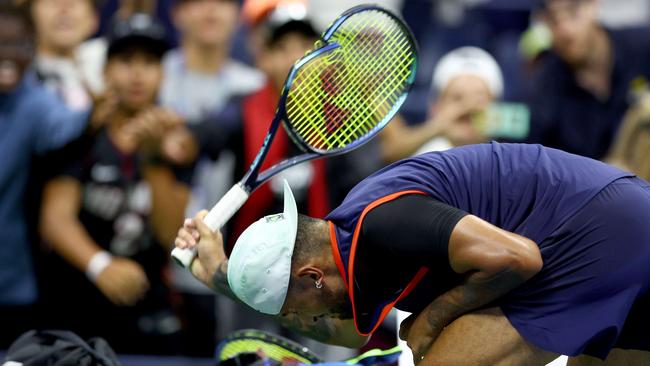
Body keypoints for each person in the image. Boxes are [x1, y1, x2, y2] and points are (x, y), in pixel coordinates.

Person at [176, 142, 650, 365]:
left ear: (313, 277)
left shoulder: (384, 224)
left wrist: (434, 316)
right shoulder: (346, 247)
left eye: (298, 312)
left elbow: (519, 259)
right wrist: (219, 274)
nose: (307, 322)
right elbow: (343, 332)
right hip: (621, 224)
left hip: (590, 237)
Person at [38, 13, 196, 354]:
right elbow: (55, 217)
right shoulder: (83, 132)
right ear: (106, 70)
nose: (137, 73)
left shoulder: (177, 141)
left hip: (147, 309)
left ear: (162, 73)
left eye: (149, 62)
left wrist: (154, 160)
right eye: (126, 61)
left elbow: (171, 234)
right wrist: (100, 265)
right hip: (76, 302)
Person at [0, 1, 98, 347]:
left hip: (13, 285)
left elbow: (72, 126)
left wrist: (103, 108)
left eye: (20, 44)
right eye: (0, 43)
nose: (9, 54)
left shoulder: (34, 101)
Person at [525, 0, 650, 160]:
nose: (565, 29)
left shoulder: (642, 47)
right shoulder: (543, 91)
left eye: (573, 12)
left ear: (593, 5)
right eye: (552, 19)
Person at [380, 46, 502, 163]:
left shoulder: (507, 163)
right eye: (457, 98)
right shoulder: (423, 164)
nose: (468, 108)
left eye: (479, 98)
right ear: (435, 108)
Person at [29, 0, 101, 110]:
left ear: (94, 18)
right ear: (30, 16)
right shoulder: (18, 79)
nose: (64, 9)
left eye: (74, 2)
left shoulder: (109, 66)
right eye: (53, 1)